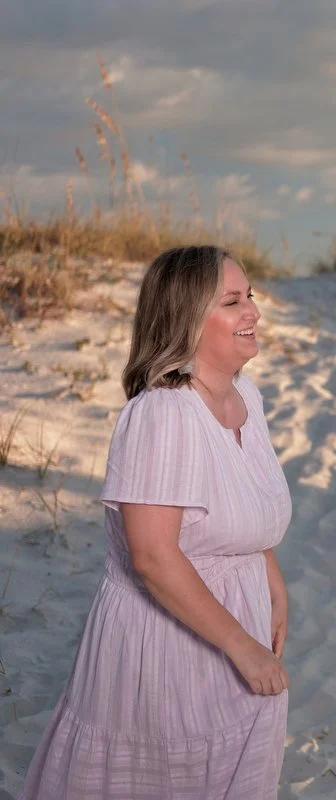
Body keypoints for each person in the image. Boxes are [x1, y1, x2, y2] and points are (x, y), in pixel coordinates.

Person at [20, 246, 292, 799]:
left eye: (252, 297)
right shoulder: (162, 415)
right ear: (187, 320)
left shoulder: (247, 397)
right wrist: (240, 644)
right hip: (170, 640)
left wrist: (273, 586)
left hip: (238, 622)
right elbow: (153, 557)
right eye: (233, 301)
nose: (253, 313)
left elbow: (245, 505)